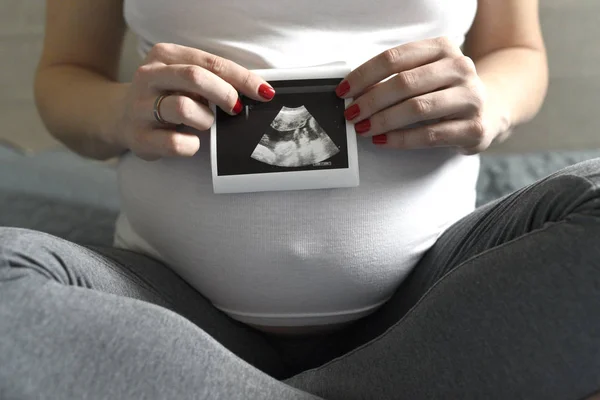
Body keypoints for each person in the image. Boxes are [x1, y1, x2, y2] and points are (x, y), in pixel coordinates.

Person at [1, 0, 599, 398]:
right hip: (170, 304)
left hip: (433, 293)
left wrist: (490, 102)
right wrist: (119, 110)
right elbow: (66, 74)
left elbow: (519, 51)